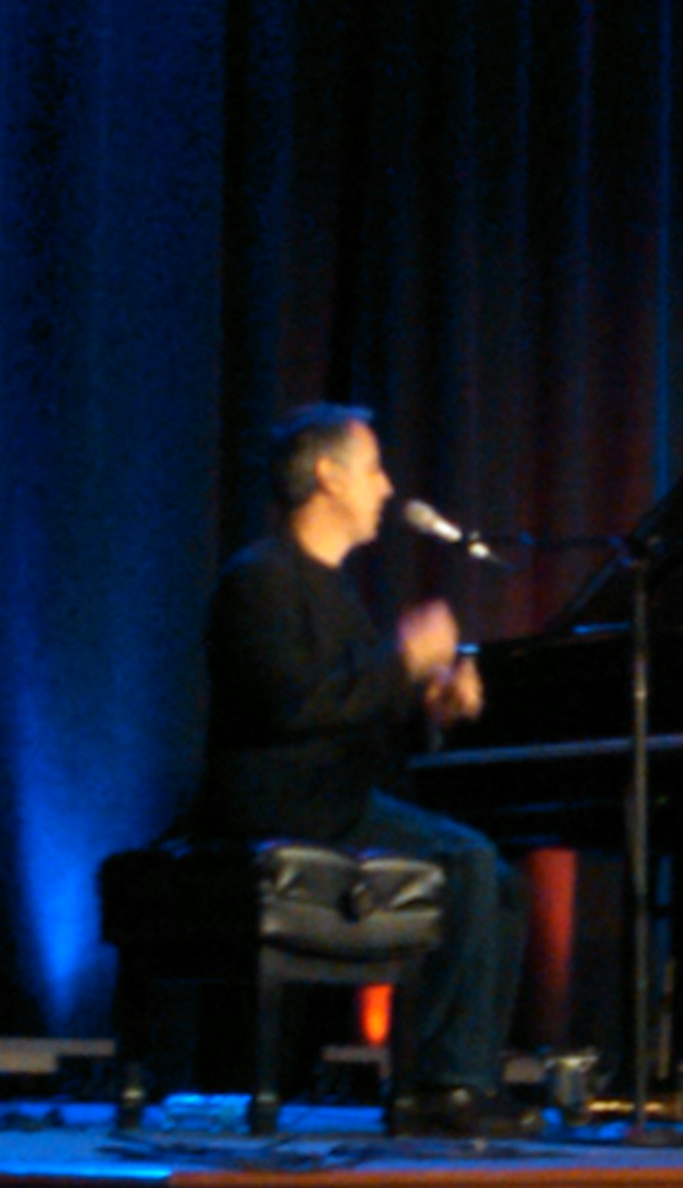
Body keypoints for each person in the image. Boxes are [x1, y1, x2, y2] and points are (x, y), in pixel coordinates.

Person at [187, 403, 537, 1138]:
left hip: (335, 798)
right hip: (280, 804)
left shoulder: (336, 591)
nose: (386, 488)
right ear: (329, 476)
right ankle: (441, 1088)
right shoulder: (257, 580)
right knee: (466, 860)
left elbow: (362, 715)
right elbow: (293, 705)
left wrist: (434, 704)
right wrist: (402, 662)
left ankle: (461, 1075)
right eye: (374, 470)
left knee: (500, 880)